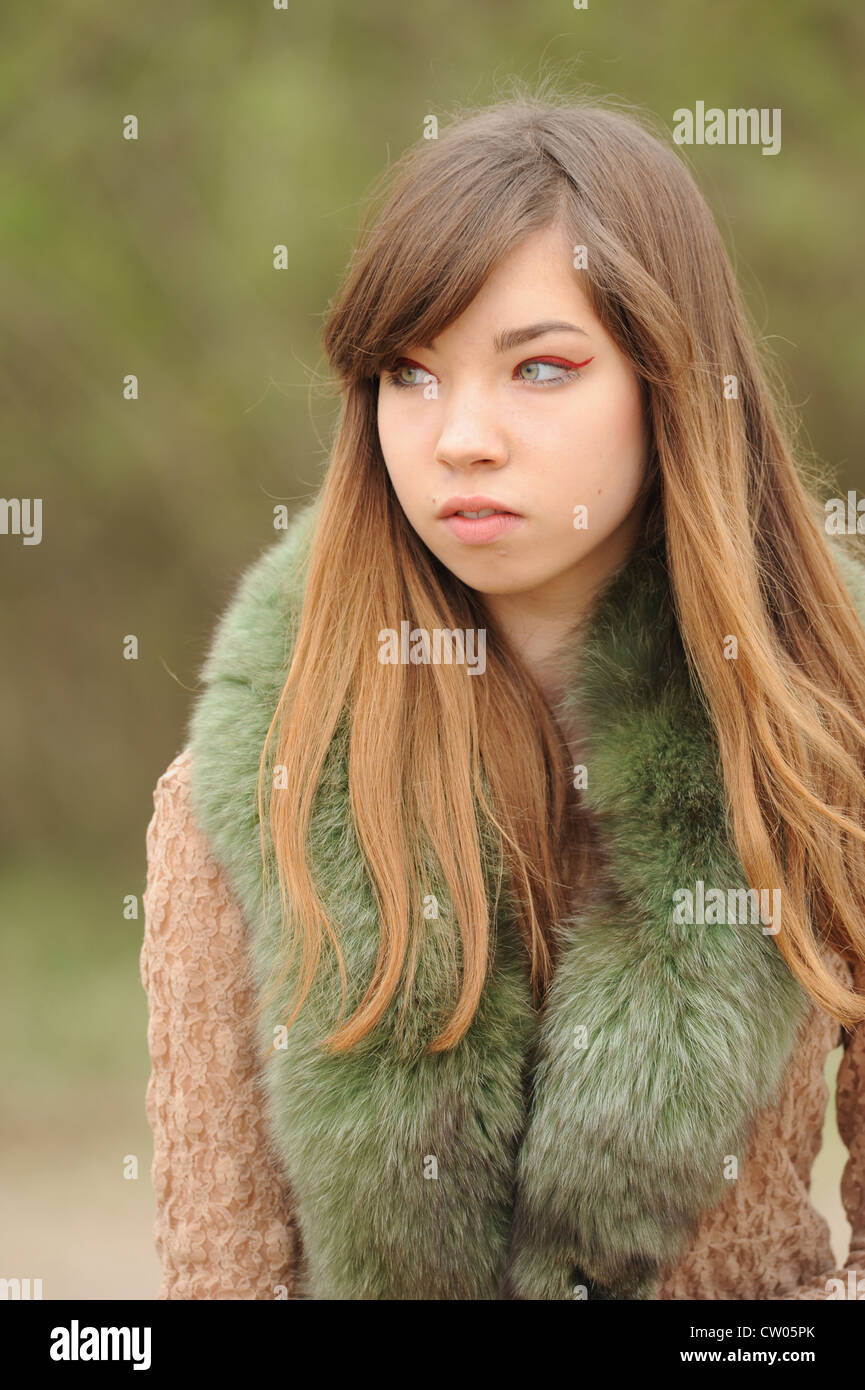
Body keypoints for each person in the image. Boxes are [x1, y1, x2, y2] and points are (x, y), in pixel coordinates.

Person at [140, 91, 865, 1300]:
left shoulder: (818, 737)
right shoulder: (248, 780)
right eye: (410, 375)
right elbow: (219, 1287)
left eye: (539, 368)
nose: (461, 436)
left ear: (669, 382)